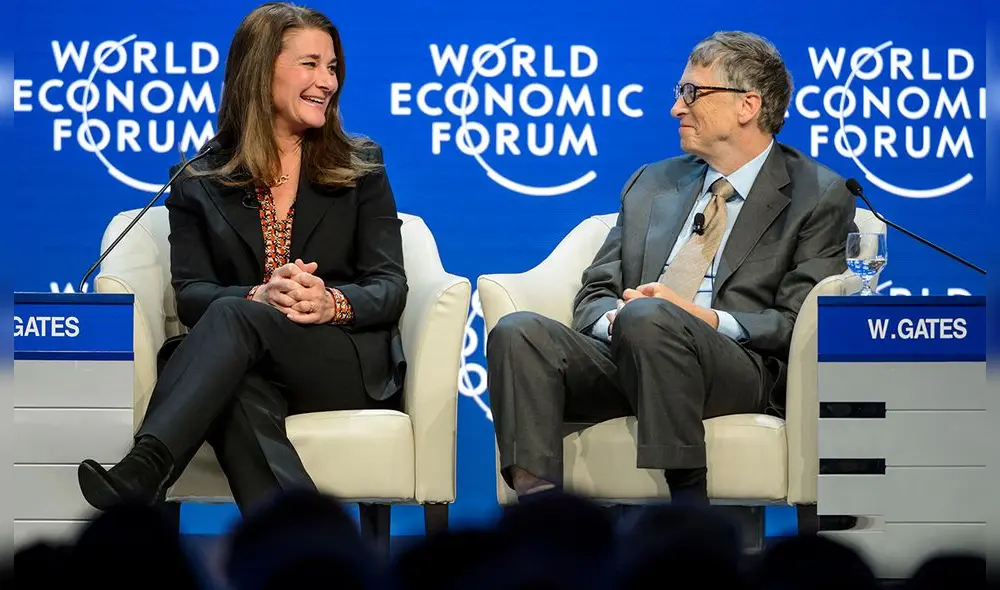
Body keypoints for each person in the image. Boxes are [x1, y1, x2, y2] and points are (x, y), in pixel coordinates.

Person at [487, 31, 856, 506]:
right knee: (519, 332)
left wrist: (698, 318)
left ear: (747, 105)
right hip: (632, 349)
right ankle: (543, 519)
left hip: (735, 368)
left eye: (693, 93)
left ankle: (686, 509)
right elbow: (596, 290)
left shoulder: (818, 194)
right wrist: (616, 319)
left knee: (652, 318)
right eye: (679, 93)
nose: (676, 108)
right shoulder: (652, 182)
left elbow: (797, 320)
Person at [77, 2, 407, 513]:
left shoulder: (360, 165)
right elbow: (191, 296)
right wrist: (259, 294)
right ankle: (299, 544)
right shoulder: (198, 179)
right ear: (260, 70)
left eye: (333, 67)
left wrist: (329, 302)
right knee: (233, 383)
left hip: (336, 359)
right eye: (311, 64)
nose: (327, 82)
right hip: (241, 361)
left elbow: (389, 285)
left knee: (224, 326)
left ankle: (149, 464)